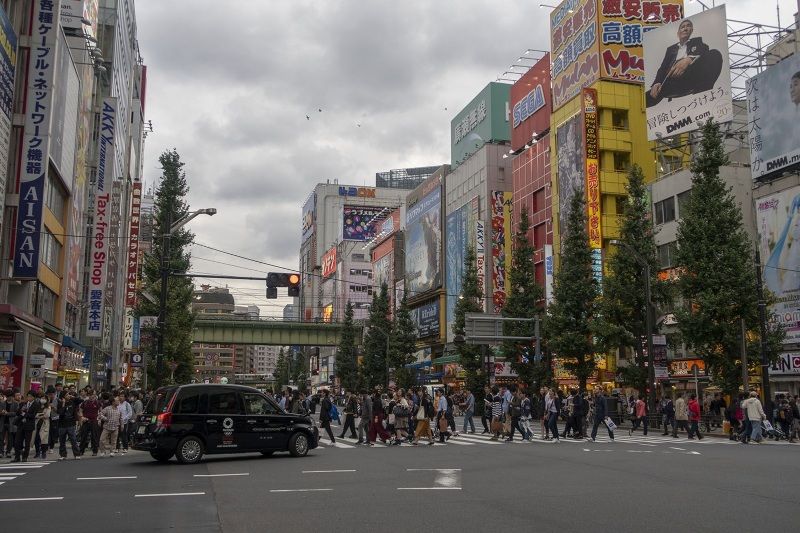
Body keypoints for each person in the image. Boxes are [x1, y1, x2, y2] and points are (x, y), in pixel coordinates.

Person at [646, 18, 724, 107]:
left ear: (691, 30)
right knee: (647, 97)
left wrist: (688, 59)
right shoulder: (671, 49)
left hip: (692, 76)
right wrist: (657, 82)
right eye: (682, 27)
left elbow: (704, 48)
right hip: (671, 81)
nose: (685, 28)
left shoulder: (697, 41)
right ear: (678, 33)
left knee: (715, 54)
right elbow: (663, 67)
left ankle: (704, 97)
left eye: (688, 26)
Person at [12, 391, 40, 462]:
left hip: (29, 425)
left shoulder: (36, 404)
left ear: (34, 397)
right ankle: (17, 457)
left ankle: (25, 457)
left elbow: (33, 416)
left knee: (27, 442)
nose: (29, 398)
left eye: (30, 396)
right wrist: (21, 411)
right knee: (17, 441)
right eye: (28, 396)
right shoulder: (23, 403)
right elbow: (17, 413)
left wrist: (25, 413)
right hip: (21, 425)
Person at [57, 391, 81, 460]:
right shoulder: (60, 403)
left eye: (68, 394)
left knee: (73, 439)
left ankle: (77, 454)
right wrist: (63, 404)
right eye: (67, 395)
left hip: (71, 423)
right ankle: (63, 455)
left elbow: (80, 400)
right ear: (63, 397)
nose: (68, 395)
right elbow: (60, 413)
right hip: (62, 424)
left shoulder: (72, 402)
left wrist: (73, 397)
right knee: (62, 440)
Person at [79, 389, 101, 456]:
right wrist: (82, 417)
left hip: (94, 421)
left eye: (94, 394)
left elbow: (101, 412)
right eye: (91, 395)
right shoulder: (85, 402)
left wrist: (99, 419)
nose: (93, 396)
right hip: (86, 421)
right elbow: (80, 411)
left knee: (94, 436)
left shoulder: (98, 403)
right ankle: (81, 450)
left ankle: (95, 451)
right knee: (83, 436)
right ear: (89, 395)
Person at [33, 395, 51, 459]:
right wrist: (40, 415)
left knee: (43, 439)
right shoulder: (37, 406)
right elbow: (34, 414)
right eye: (42, 398)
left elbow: (47, 415)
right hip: (37, 424)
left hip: (44, 424)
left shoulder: (48, 406)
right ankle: (37, 452)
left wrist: (39, 415)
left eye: (44, 398)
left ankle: (44, 453)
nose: (43, 399)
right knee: (36, 439)